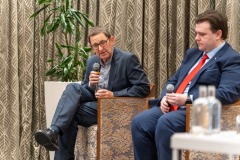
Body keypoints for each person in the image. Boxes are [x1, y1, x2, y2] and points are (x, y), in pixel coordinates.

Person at [131, 10, 240, 160]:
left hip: (199, 111)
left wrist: (188, 99)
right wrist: (164, 98)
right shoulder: (193, 54)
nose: (197, 38)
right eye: (196, 33)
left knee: (165, 122)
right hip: (174, 107)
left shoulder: (232, 59)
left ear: (218, 34)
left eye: (202, 34)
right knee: (140, 122)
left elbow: (227, 93)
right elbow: (173, 81)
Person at [35, 26, 150, 159]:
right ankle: (53, 131)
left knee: (70, 114)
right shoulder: (92, 61)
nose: (100, 49)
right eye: (95, 46)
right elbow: (84, 88)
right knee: (73, 87)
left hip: (113, 107)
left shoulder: (127, 59)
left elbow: (144, 87)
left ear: (111, 40)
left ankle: (54, 133)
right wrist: (90, 84)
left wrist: (113, 95)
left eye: (103, 43)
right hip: (94, 103)